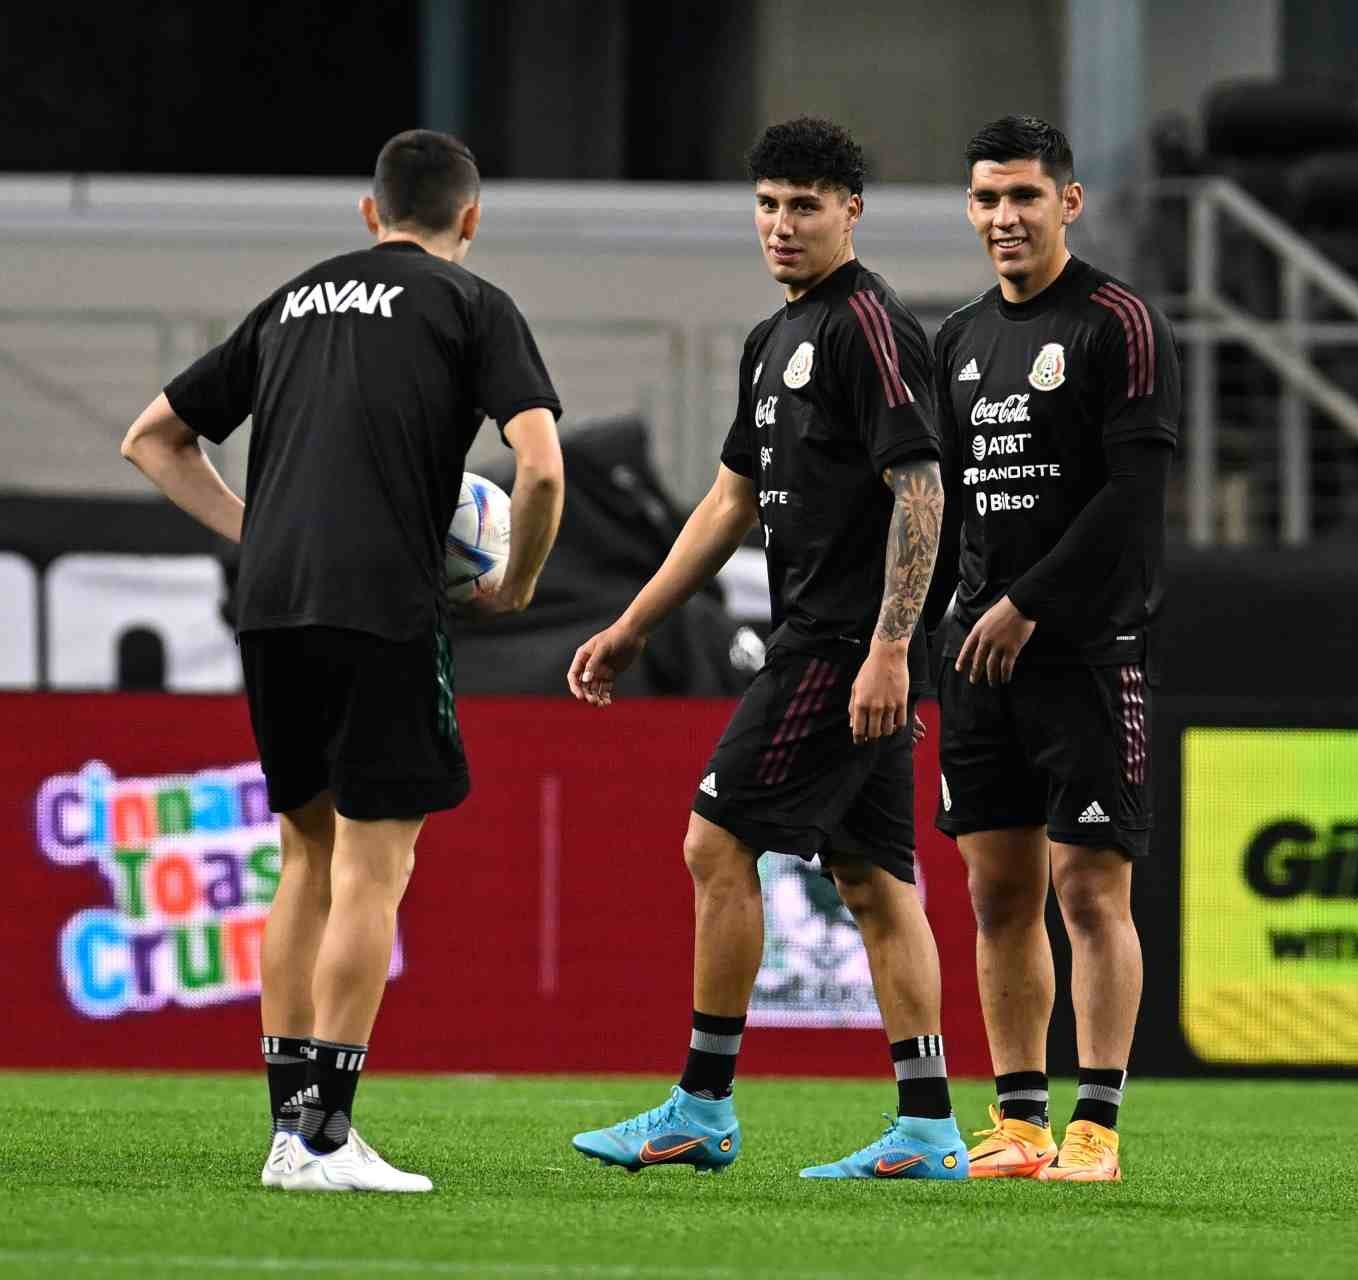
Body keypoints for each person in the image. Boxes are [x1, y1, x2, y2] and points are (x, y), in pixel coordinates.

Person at [120, 128, 566, 1193]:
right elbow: (540, 468)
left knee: (302, 859)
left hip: (273, 606)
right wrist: (521, 583)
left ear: (369, 214)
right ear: (468, 218)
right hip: (381, 603)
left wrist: (260, 530)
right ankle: (326, 1134)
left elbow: (151, 436)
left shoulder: (292, 300)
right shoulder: (472, 304)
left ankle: (288, 1133)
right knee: (376, 864)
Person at [565, 117, 966, 1180]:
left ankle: (701, 1101)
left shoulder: (868, 323)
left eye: (806, 205)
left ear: (852, 211)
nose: (783, 225)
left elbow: (921, 486)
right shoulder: (771, 338)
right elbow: (730, 499)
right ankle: (928, 1125)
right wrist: (635, 620)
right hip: (831, 640)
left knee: (712, 843)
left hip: (840, 647)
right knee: (878, 881)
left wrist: (890, 647)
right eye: (769, 204)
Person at [928, 115, 1180, 1182]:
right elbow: (939, 511)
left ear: (1068, 202)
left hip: (1084, 649)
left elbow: (1133, 498)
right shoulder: (957, 339)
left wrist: (1029, 602)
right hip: (975, 656)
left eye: (1025, 196)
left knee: (1090, 890)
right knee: (997, 896)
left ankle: (1098, 1125)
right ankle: (1021, 1120)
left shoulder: (1118, 321)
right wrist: (904, 638)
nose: (1004, 217)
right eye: (986, 198)